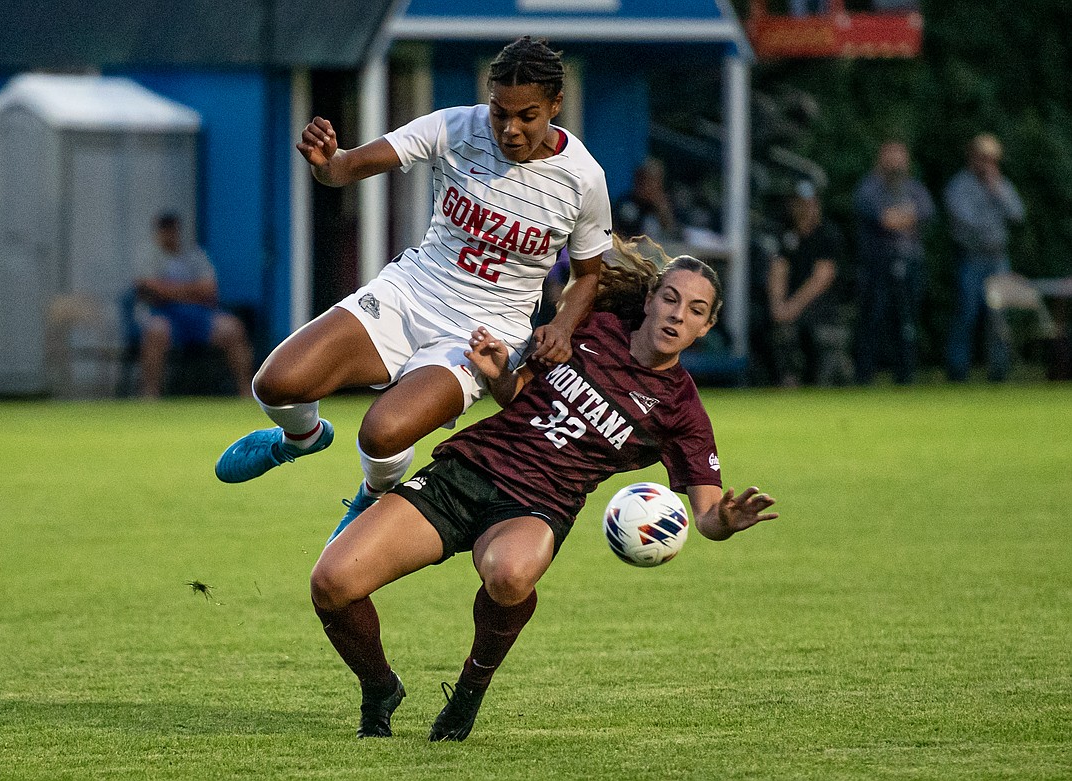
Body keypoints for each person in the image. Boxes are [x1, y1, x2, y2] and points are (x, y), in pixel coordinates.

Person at [309, 236, 778, 741]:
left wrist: (724, 522)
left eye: (695, 310)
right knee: (331, 583)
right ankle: (380, 687)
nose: (677, 314)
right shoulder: (590, 326)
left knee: (510, 576)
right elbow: (516, 393)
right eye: (670, 298)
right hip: (466, 470)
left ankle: (469, 690)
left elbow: (707, 516)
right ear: (649, 300)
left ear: (706, 327)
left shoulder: (682, 410)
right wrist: (496, 376)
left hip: (537, 505)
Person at [215, 37, 612, 541]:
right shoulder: (454, 127)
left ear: (555, 105)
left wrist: (560, 324)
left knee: (381, 434)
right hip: (412, 291)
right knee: (274, 384)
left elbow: (589, 274)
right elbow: (345, 169)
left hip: (485, 333)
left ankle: (373, 496)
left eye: (527, 116)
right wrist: (325, 161)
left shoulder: (583, 178)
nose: (509, 129)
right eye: (499, 112)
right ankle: (300, 438)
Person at [133, 213, 254, 398]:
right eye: (164, 230)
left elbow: (210, 289)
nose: (169, 234)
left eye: (172, 230)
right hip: (165, 315)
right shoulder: (149, 256)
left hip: (199, 315)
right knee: (155, 332)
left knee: (233, 328)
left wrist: (169, 291)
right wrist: (190, 292)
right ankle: (150, 395)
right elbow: (148, 289)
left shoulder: (194, 254)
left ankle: (246, 392)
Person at [943, 133, 1026, 382]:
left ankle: (999, 371)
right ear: (973, 158)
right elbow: (967, 222)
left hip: (998, 259)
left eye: (992, 160)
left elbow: (1017, 214)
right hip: (971, 258)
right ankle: (958, 372)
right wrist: (993, 221)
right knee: (966, 313)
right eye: (983, 159)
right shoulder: (959, 186)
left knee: (998, 317)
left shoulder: (1001, 184)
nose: (987, 164)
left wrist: (996, 190)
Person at [853, 140, 936, 384]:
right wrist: (904, 216)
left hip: (910, 261)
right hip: (877, 263)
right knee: (873, 318)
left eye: (900, 157)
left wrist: (898, 217)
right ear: (881, 158)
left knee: (907, 320)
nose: (896, 163)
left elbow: (925, 213)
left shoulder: (915, 188)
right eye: (891, 157)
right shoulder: (868, 189)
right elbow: (886, 220)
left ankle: (905, 376)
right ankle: (864, 376)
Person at [766, 181, 852, 386]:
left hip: (821, 304)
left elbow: (822, 278)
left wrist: (792, 307)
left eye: (809, 203)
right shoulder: (786, 234)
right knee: (770, 324)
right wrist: (778, 305)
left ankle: (816, 380)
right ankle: (787, 381)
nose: (804, 209)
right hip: (792, 304)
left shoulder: (827, 234)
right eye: (799, 203)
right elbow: (779, 269)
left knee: (809, 330)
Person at [612, 157, 675, 242]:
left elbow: (673, 234)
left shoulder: (660, 205)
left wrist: (663, 212)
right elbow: (625, 237)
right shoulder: (627, 205)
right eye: (649, 180)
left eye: (657, 181)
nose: (653, 186)